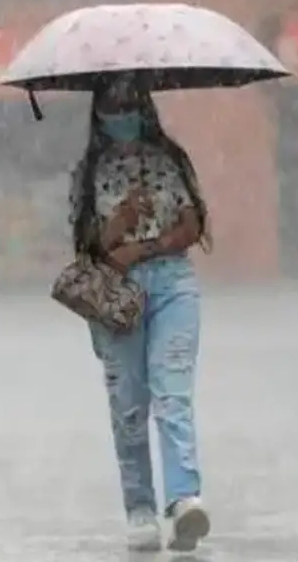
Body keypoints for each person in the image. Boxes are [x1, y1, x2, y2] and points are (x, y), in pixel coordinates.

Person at [68, 74, 213, 553]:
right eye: (113, 105)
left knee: (172, 392)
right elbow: (86, 247)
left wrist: (150, 244)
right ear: (100, 112)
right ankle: (140, 507)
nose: (123, 113)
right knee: (129, 405)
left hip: (173, 284)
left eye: (131, 103)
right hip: (118, 294)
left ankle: (185, 498)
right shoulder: (88, 172)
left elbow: (194, 224)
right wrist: (118, 227)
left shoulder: (170, 159)